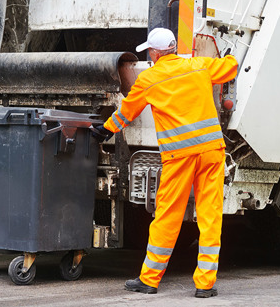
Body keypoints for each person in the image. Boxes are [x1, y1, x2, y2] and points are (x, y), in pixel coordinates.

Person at [94, 27, 238, 298]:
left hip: (179, 157)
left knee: (167, 216)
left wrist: (104, 130)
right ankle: (205, 285)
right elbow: (230, 68)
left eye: (150, 50)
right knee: (209, 216)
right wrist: (230, 54)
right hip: (211, 153)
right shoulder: (199, 66)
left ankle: (149, 280)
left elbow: (126, 113)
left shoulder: (150, 79)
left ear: (156, 53)